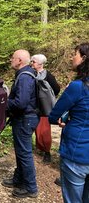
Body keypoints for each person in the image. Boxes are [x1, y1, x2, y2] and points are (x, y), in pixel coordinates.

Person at [49, 43, 89, 203]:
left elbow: (54, 116)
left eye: (75, 54)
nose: (72, 57)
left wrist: (66, 120)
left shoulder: (77, 87)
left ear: (84, 58)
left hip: (76, 154)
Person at [2, 49, 39, 198]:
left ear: (19, 61)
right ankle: (19, 179)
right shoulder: (27, 74)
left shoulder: (24, 77)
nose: (11, 60)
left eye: (12, 58)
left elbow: (21, 102)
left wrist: (4, 103)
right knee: (21, 152)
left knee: (24, 153)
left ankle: (31, 187)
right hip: (25, 119)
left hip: (25, 119)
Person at [30, 54, 60, 163]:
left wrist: (48, 98)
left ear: (40, 64)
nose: (31, 63)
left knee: (44, 132)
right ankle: (40, 148)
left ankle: (47, 153)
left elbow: (56, 89)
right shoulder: (31, 74)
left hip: (44, 108)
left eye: (33, 62)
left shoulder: (48, 75)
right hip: (33, 107)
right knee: (37, 131)